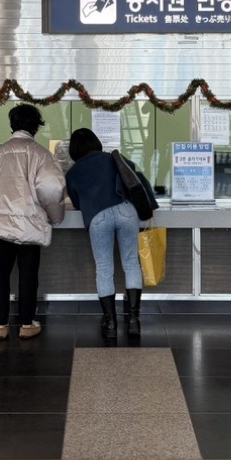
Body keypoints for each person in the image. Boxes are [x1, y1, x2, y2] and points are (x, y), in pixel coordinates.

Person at [0, 103, 66, 339]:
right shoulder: (41, 154)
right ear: (36, 127)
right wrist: (55, 217)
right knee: (28, 275)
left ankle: (0, 326)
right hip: (29, 224)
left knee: (0, 273)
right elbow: (53, 188)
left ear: (12, 125)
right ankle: (26, 324)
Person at [65, 128, 158, 340]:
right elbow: (134, 177)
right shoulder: (112, 158)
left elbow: (78, 203)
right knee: (131, 263)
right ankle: (134, 319)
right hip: (126, 210)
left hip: (98, 217)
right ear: (95, 142)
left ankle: (110, 322)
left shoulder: (72, 173)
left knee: (104, 267)